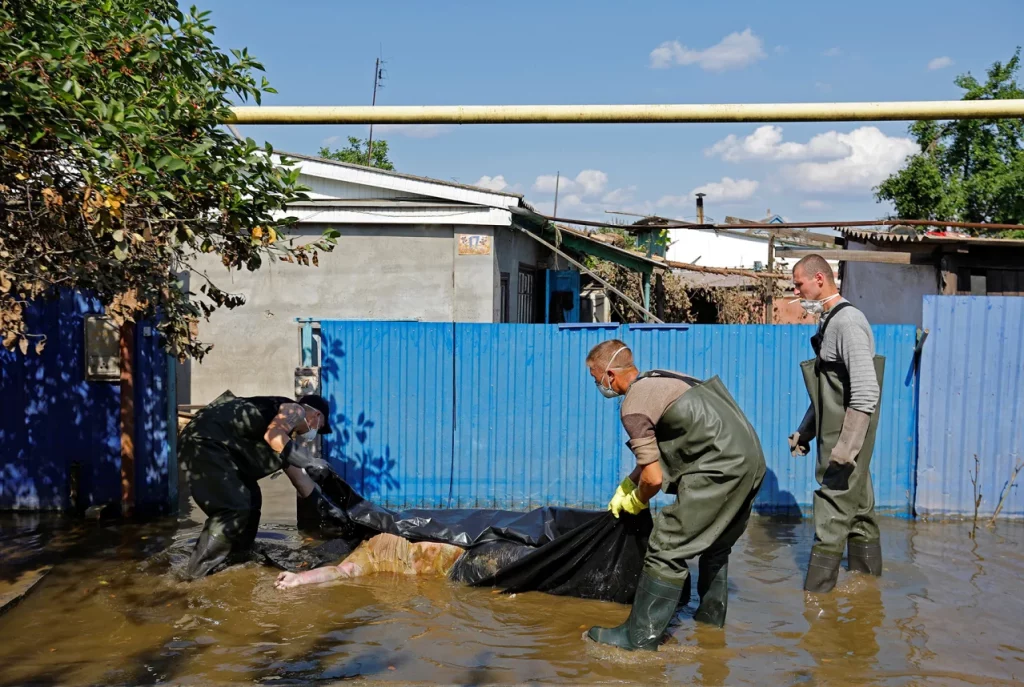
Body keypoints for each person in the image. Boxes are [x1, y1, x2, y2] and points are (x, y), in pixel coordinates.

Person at [584, 341, 766, 651]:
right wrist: (628, 484)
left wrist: (638, 499)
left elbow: (653, 479)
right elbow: (654, 458)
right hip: (751, 461)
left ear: (610, 374)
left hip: (719, 468)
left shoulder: (633, 405)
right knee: (716, 545)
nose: (597, 384)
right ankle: (709, 628)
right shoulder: (664, 378)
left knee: (666, 547)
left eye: (596, 377)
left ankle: (638, 637)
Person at [789, 254, 884, 593]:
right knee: (859, 513)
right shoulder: (829, 321)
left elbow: (865, 390)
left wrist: (846, 449)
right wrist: (806, 429)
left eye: (799, 284)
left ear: (819, 279)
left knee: (830, 513)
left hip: (844, 443)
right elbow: (829, 389)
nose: (796, 290)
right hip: (837, 437)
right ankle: (868, 591)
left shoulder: (848, 322)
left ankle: (816, 601)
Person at [178, 391, 334, 579]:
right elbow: (273, 435)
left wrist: (327, 512)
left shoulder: (285, 438)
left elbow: (299, 480)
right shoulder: (296, 410)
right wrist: (310, 460)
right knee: (235, 508)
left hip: (215, 444)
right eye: (320, 426)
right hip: (204, 441)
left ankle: (239, 555)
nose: (315, 431)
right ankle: (193, 576)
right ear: (317, 416)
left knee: (251, 498)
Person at [273, 533, 465, 589]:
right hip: (381, 552)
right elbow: (342, 571)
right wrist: (299, 579)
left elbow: (342, 572)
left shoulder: (445, 555)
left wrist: (299, 579)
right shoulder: (376, 552)